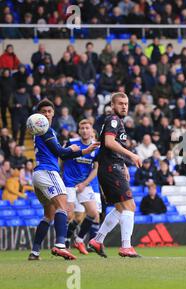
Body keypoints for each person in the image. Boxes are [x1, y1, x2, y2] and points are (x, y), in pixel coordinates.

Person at [28, 99, 100, 261]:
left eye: (49, 111)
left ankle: (35, 252)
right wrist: (77, 150)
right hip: (48, 172)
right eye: (43, 111)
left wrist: (79, 150)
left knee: (48, 214)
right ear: (38, 115)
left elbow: (58, 152)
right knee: (63, 207)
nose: (46, 114)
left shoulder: (45, 131)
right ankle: (61, 245)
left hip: (39, 175)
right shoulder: (45, 130)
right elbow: (61, 153)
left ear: (53, 113)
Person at [88, 93, 143, 258]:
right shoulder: (113, 120)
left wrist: (123, 164)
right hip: (111, 169)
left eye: (126, 104)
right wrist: (131, 155)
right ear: (112, 105)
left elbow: (110, 148)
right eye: (120, 103)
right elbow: (109, 143)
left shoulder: (116, 121)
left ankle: (97, 240)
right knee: (130, 206)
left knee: (120, 208)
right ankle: (126, 247)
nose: (124, 106)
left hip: (113, 166)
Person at [62, 120, 100, 255]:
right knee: (69, 215)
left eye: (87, 128)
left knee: (93, 213)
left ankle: (78, 239)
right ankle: (63, 242)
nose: (84, 130)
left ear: (91, 131)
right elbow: (61, 156)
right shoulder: (71, 142)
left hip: (84, 184)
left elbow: (96, 169)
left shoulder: (96, 147)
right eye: (82, 128)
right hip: (69, 183)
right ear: (79, 130)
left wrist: (85, 183)